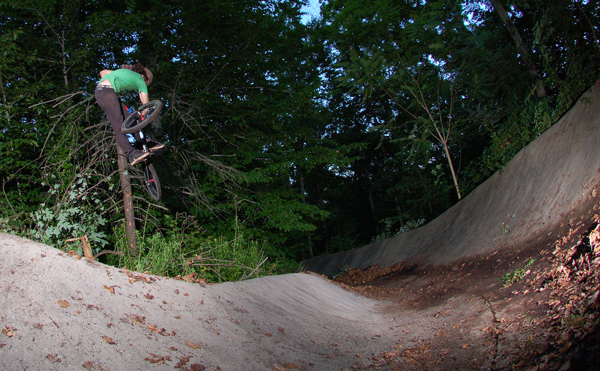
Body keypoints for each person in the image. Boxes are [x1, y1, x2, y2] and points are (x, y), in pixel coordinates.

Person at [95, 63, 164, 166]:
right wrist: (143, 117)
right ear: (145, 78)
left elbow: (103, 72)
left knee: (128, 119)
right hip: (107, 92)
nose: (145, 86)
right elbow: (146, 104)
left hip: (106, 92)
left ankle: (142, 142)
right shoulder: (141, 80)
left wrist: (111, 81)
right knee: (118, 125)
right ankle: (131, 154)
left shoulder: (125, 73)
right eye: (147, 84)